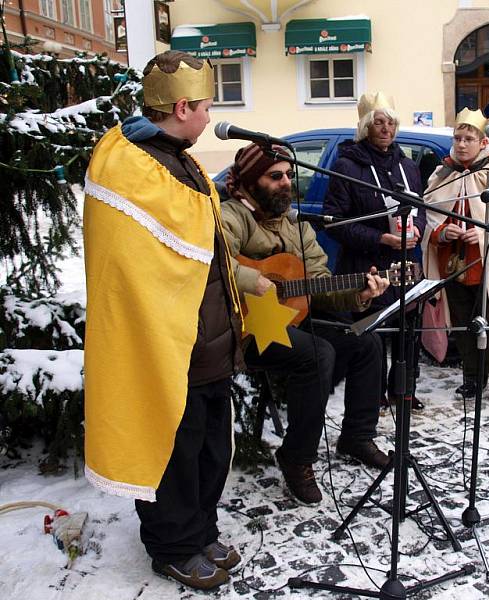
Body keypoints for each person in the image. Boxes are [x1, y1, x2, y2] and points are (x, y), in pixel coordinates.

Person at [83, 51, 243, 591]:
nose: (209, 115)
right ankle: (173, 544)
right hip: (168, 346)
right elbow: (134, 268)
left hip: (211, 340)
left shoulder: (184, 160)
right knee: (174, 452)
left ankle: (202, 531)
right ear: (181, 107)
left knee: (210, 449)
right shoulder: (130, 166)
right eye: (205, 106)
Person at [221, 143, 391, 506]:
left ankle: (357, 436)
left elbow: (319, 282)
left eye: (288, 175)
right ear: (251, 181)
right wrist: (255, 281)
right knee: (317, 353)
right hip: (244, 330)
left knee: (365, 340)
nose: (285, 183)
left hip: (291, 319)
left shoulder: (297, 226)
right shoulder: (230, 216)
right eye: (274, 176)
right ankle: (297, 457)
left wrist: (360, 294)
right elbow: (214, 261)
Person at [323, 91, 426, 409]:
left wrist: (419, 227)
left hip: (405, 265)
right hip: (366, 266)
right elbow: (335, 222)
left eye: (391, 123)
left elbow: (419, 207)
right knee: (373, 336)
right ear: (366, 127)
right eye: (378, 123)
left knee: (408, 332)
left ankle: (403, 392)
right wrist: (380, 239)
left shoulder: (408, 166)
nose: (386, 129)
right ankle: (373, 395)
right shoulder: (346, 165)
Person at [421, 108, 489, 412]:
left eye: (469, 138)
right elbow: (431, 207)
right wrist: (442, 231)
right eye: (458, 138)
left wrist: (479, 235)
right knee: (463, 326)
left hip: (487, 263)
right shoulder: (444, 171)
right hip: (452, 261)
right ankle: (473, 377)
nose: (462, 144)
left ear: (482, 142)